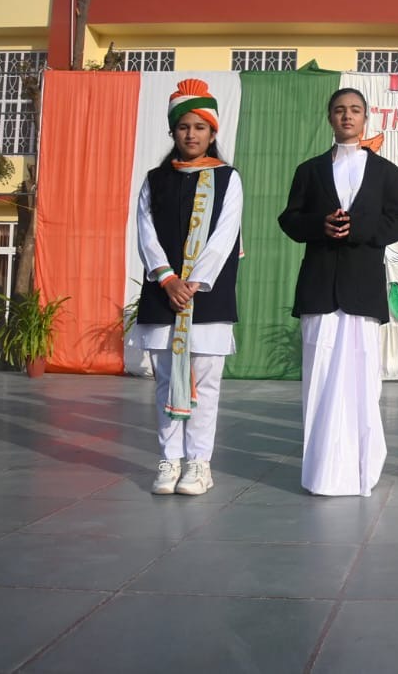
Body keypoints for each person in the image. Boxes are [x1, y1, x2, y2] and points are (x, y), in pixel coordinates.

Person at [279, 87, 398, 497]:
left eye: (355, 110)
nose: (347, 116)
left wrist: (360, 229)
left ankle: (361, 470)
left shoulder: (387, 172)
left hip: (362, 288)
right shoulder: (310, 170)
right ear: (329, 117)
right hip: (320, 286)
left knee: (362, 381)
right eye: (339, 110)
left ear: (366, 117)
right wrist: (320, 225)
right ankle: (321, 472)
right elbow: (289, 219)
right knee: (319, 378)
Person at [136, 78, 243, 497]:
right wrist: (168, 278)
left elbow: (224, 236)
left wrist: (193, 282)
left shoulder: (228, 179)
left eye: (200, 127)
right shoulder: (154, 180)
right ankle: (169, 460)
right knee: (165, 381)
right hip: (164, 294)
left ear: (212, 133)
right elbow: (146, 233)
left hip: (208, 296)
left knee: (206, 383)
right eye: (183, 127)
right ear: (173, 132)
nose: (191, 135)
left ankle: (199, 463)